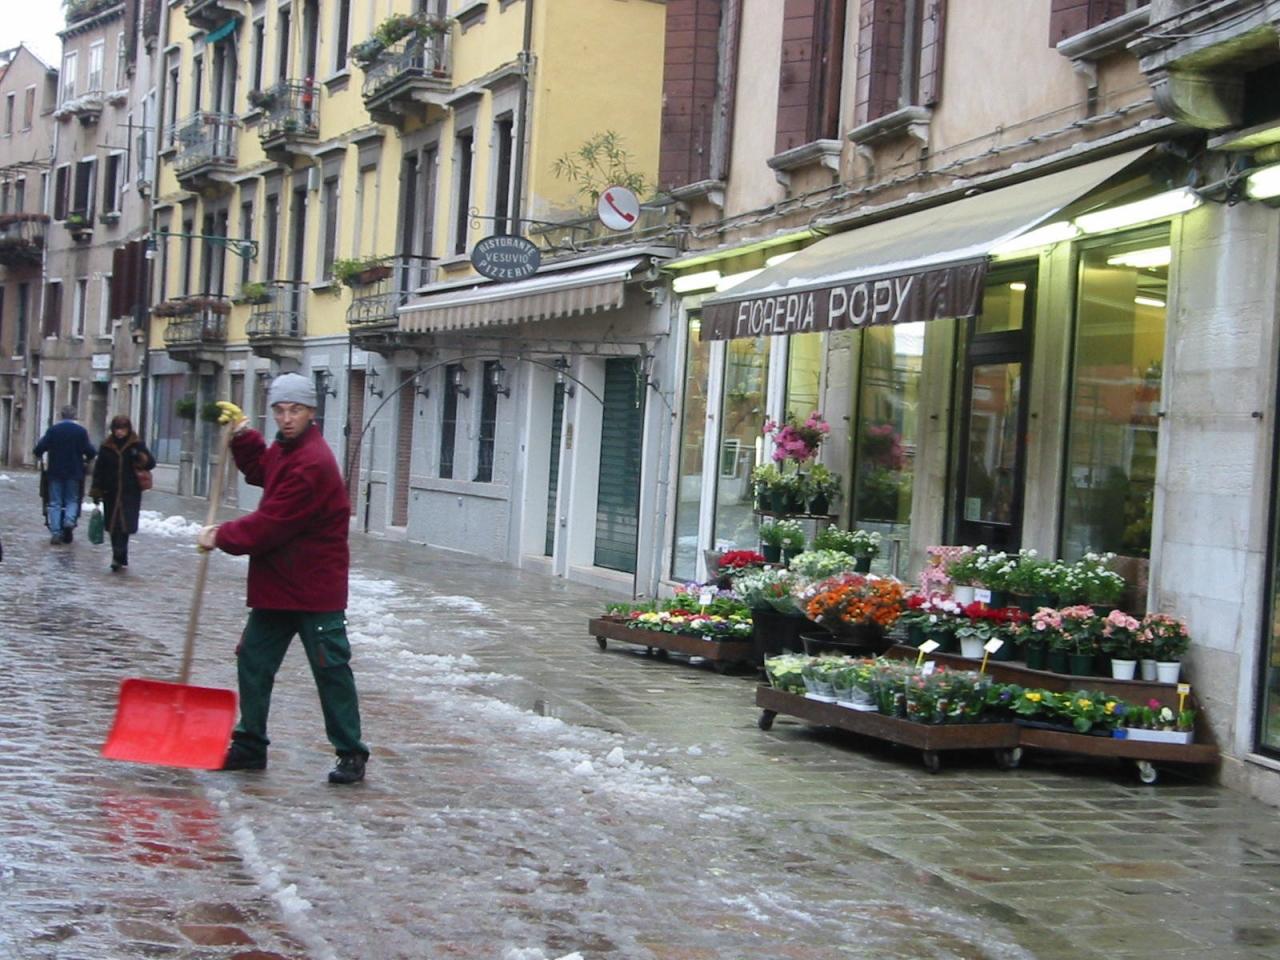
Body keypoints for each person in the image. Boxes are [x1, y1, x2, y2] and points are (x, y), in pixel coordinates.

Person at [196, 373, 369, 785]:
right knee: (253, 661)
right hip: (277, 586)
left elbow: (272, 524)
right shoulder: (287, 450)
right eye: (279, 410)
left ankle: (351, 752)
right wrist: (243, 436)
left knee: (330, 670)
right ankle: (250, 745)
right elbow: (264, 470)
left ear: (311, 412)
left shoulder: (312, 462)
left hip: (314, 588)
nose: (287, 418)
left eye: (296, 410)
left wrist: (221, 535)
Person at [89, 415, 157, 572]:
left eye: (123, 429)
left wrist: (139, 456)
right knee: (114, 526)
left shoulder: (136, 444)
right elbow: (99, 470)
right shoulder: (106, 446)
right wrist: (96, 490)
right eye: (117, 429)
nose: (119, 432)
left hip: (130, 492)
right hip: (110, 492)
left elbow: (150, 463)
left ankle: (120, 555)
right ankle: (118, 556)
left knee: (125, 525)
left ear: (128, 429)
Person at [34, 405, 96, 545]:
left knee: (55, 502)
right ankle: (69, 521)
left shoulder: (53, 430)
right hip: (74, 472)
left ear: (61, 415)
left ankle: (56, 533)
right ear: (74, 416)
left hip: (55, 471)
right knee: (72, 500)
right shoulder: (80, 432)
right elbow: (90, 451)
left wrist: (39, 455)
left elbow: (40, 448)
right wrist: (87, 459)